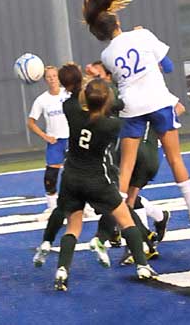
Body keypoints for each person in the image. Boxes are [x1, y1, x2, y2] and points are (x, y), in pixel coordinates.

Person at [82, 0, 190, 226]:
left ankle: (115, 220)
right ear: (117, 22)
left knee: (126, 167)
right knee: (175, 159)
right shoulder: (142, 35)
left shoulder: (107, 55)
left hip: (132, 107)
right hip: (158, 101)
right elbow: (169, 67)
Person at [53, 64, 157, 291]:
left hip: (71, 178)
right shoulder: (112, 124)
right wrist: (102, 82)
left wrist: (80, 81)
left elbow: (76, 96)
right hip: (96, 180)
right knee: (126, 220)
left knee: (73, 227)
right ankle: (142, 266)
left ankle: (62, 270)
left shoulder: (70, 109)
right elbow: (118, 104)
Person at [27, 66, 70, 220]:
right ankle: (52, 207)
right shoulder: (42, 100)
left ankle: (85, 206)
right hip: (55, 141)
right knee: (51, 176)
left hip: (71, 139)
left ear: (59, 77)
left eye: (54, 76)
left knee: (78, 174)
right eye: (49, 77)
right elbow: (31, 122)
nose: (52, 79)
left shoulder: (68, 94)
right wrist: (45, 136)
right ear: (45, 80)